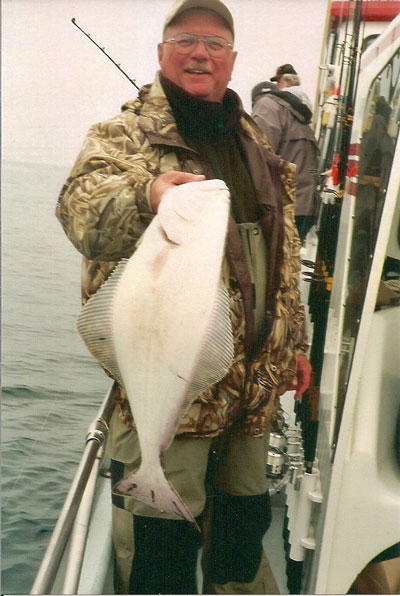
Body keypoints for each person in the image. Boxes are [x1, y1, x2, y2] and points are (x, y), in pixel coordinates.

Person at [56, 1, 311, 593]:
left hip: (253, 392)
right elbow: (80, 212)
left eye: (216, 44)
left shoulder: (255, 142)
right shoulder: (122, 135)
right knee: (161, 557)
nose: (202, 52)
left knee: (240, 540)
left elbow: (281, 254)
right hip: (173, 393)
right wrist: (148, 195)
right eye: (187, 39)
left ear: (233, 60)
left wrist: (296, 345)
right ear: (163, 51)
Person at [251, 65, 320, 243]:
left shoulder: (267, 108)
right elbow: (311, 168)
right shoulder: (300, 118)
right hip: (304, 208)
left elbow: (256, 158)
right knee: (288, 265)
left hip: (282, 209)